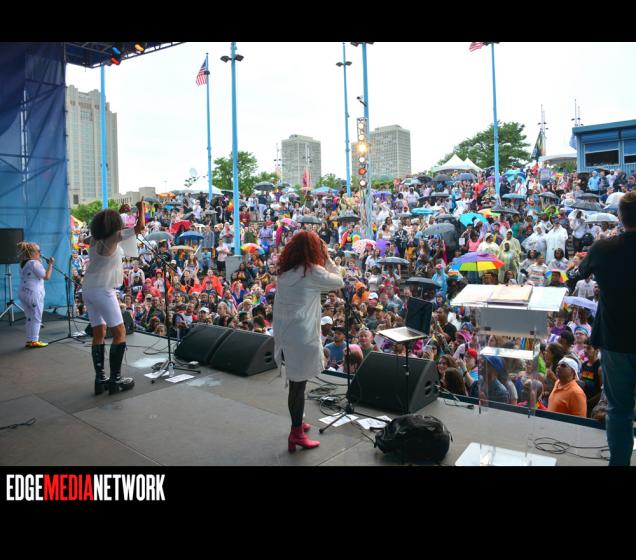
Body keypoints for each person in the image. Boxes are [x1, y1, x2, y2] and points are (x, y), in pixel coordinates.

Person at [577, 191, 636, 465]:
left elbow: (580, 272)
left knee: (619, 409)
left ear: (620, 216)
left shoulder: (603, 248)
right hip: (616, 340)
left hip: (616, 339)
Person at [273, 230, 344, 452]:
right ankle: (296, 433)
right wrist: (327, 256)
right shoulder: (312, 271)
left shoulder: (286, 272)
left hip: (286, 334)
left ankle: (298, 422)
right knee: (298, 386)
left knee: (296, 383)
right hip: (302, 336)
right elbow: (339, 280)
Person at [83, 199, 146, 396]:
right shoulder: (114, 238)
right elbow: (140, 228)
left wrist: (118, 214)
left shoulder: (93, 239)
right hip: (103, 289)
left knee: (99, 332)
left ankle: (100, 379)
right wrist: (141, 208)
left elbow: (106, 228)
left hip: (88, 289)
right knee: (119, 332)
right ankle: (115, 380)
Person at [16, 242, 54, 348]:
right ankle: (34, 340)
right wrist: (50, 264)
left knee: (29, 317)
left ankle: (30, 339)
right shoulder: (34, 263)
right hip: (33, 293)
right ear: (32, 252)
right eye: (39, 251)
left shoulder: (23, 263)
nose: (40, 253)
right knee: (36, 317)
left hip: (23, 292)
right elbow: (46, 276)